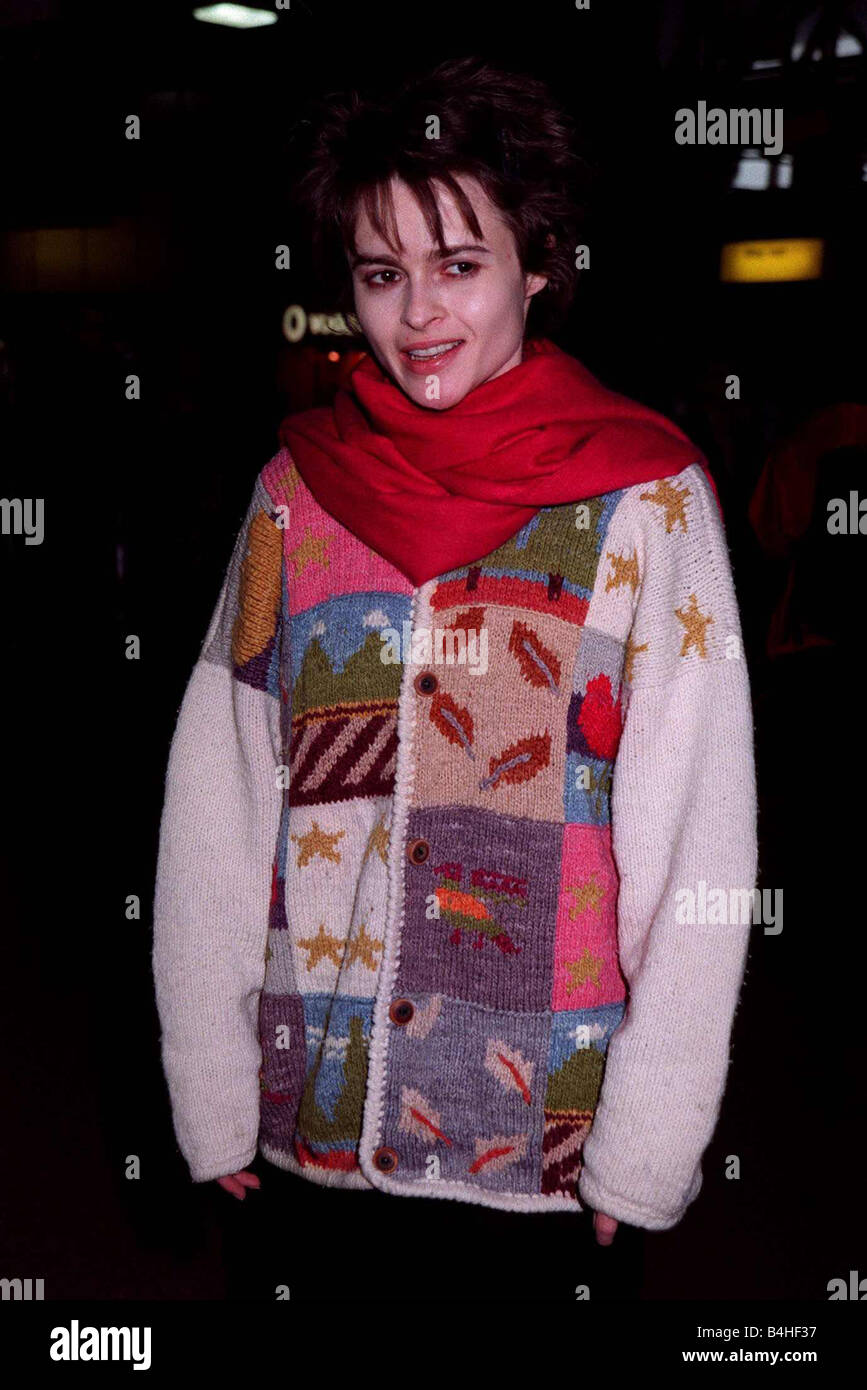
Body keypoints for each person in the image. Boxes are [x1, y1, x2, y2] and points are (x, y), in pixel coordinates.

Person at [151, 56, 757, 1292]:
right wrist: (211, 1088)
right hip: (310, 1134)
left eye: (460, 265)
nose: (419, 312)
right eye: (383, 274)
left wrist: (647, 1144)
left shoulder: (645, 502)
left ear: (537, 265)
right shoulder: (293, 498)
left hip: (547, 1149)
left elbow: (702, 843)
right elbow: (215, 813)